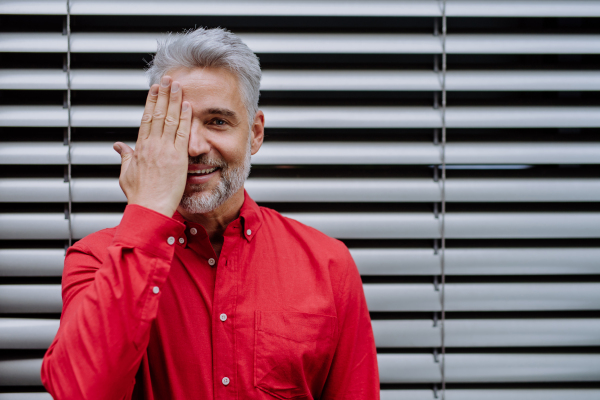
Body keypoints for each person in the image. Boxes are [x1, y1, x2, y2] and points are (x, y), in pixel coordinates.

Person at [41, 27, 379, 399]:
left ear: (254, 134)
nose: (194, 147)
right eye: (179, 125)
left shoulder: (329, 266)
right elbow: (79, 391)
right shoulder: (95, 260)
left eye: (218, 121)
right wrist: (148, 208)